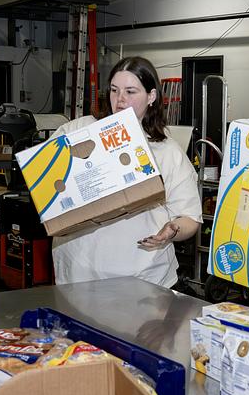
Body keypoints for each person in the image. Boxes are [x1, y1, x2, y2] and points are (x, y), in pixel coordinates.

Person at [50, 57, 202, 287]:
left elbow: (189, 216)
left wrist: (172, 230)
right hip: (79, 274)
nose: (120, 99)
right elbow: (44, 174)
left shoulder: (166, 151)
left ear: (151, 96)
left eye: (131, 91)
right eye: (114, 90)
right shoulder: (78, 131)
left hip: (143, 277)